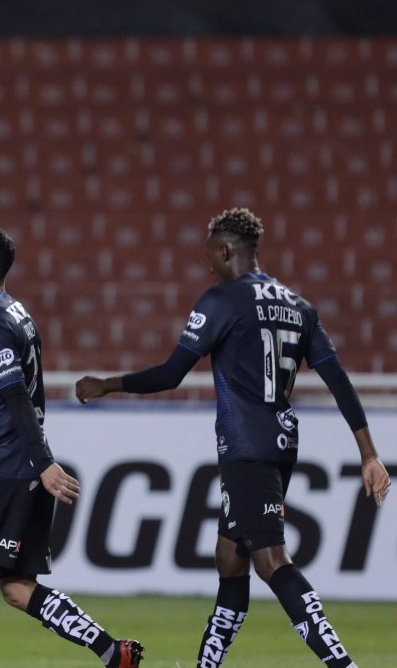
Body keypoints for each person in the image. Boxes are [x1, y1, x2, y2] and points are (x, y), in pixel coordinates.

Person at [75, 208, 390, 668]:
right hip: (281, 445)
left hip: (247, 448)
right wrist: (369, 454)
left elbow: (171, 373)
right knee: (230, 557)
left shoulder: (222, 300)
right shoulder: (298, 305)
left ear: (225, 250)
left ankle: (343, 664)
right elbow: (338, 380)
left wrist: (107, 384)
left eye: (210, 257)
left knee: (271, 561)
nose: (208, 266)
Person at [0, 226, 144, 668]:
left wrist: (42, 463)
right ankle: (112, 652)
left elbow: (16, 397)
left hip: (3, 468)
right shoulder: (15, 312)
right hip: (18, 462)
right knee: (18, 588)